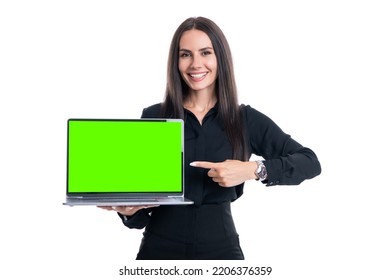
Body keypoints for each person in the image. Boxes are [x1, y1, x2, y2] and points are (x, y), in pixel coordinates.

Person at [99, 16, 321, 260]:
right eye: (185, 54)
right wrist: (128, 212)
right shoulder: (154, 117)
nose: (196, 64)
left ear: (220, 58)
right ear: (176, 61)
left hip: (221, 250)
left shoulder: (244, 118)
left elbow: (309, 162)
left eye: (205, 52)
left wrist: (252, 170)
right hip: (158, 250)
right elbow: (139, 218)